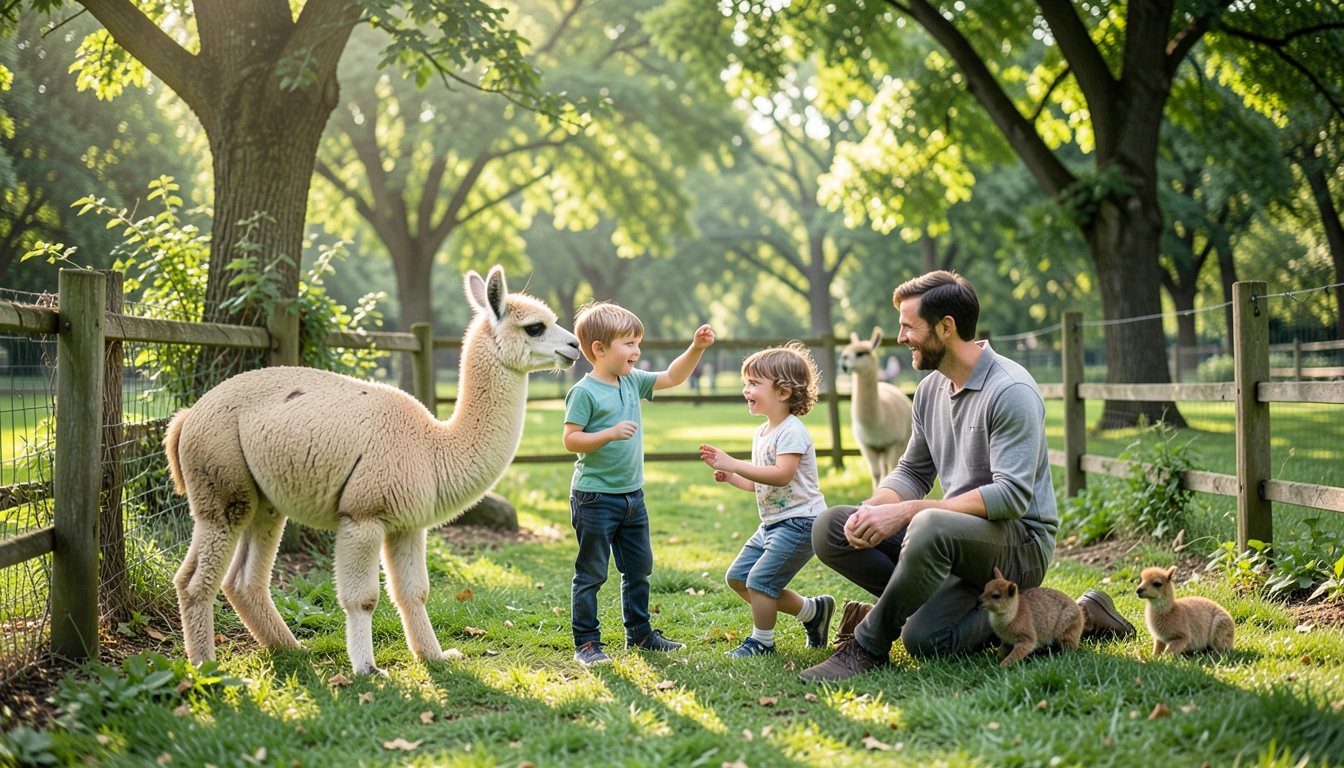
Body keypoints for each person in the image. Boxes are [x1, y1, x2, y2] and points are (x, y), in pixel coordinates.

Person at [799, 271, 1132, 683]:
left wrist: (907, 512)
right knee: (831, 526)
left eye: (908, 326)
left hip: (1018, 543)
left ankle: (868, 647)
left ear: (946, 327)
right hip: (950, 539)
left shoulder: (1011, 391)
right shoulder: (928, 390)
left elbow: (1010, 497)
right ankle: (909, 609)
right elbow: (912, 471)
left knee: (925, 634)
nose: (901, 338)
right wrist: (874, 510)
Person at [563, 301, 715, 666]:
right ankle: (586, 643)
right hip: (594, 498)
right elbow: (571, 440)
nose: (637, 351)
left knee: (639, 568)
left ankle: (641, 634)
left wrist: (695, 348)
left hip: (633, 496)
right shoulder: (584, 392)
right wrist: (609, 433)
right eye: (628, 343)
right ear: (599, 350)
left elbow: (673, 377)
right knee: (592, 573)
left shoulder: (631, 380)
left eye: (638, 343)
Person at [699, 343, 836, 658]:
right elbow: (760, 480)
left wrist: (733, 463)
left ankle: (762, 642)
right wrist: (734, 477)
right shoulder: (762, 432)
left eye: (754, 383)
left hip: (802, 522)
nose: (746, 389)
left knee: (760, 582)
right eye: (746, 382)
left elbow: (782, 475)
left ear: (784, 392)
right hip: (773, 523)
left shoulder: (792, 432)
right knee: (738, 578)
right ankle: (812, 613)